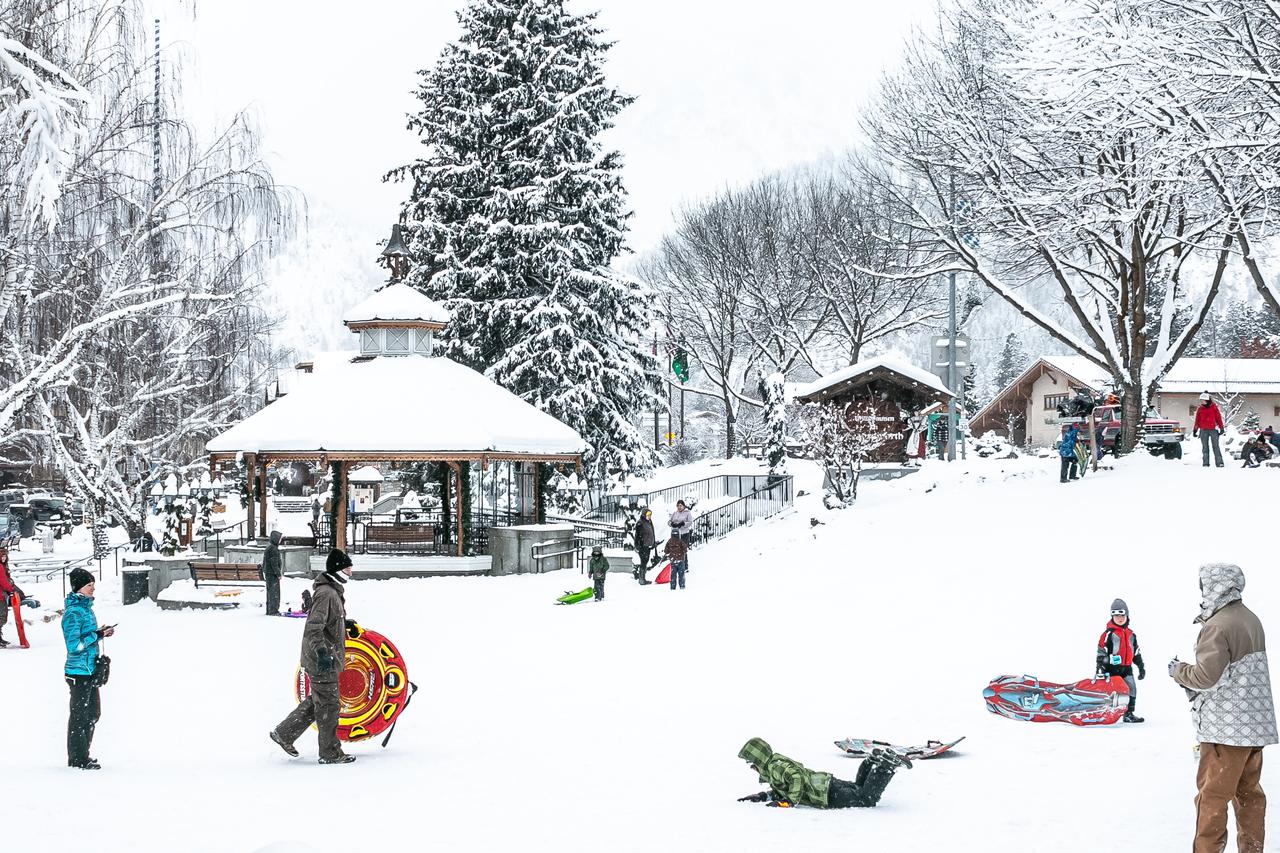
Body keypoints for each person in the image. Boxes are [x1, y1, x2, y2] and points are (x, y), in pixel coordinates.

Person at [1169, 563, 1276, 853]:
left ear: (1214, 587)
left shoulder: (1218, 625)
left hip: (1226, 732)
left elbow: (1206, 677)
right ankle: (1252, 849)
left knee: (1212, 798)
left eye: (1204, 586)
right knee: (1249, 796)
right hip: (1253, 729)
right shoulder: (1250, 619)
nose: (1202, 592)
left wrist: (1178, 671)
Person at [270, 548, 357, 764]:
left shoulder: (332, 592)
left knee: (320, 700)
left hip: (324, 657)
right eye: (348, 568)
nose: (351, 573)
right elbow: (313, 627)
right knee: (329, 705)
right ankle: (330, 753)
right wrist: (322, 653)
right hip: (322, 660)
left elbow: (328, 621)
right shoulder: (327, 593)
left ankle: (285, 733)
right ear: (338, 570)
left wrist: (344, 624)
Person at [737, 737, 910, 809]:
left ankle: (885, 765)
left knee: (866, 799)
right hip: (825, 784)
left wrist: (789, 801)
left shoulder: (775, 767)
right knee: (859, 788)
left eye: (750, 762)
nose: (750, 766)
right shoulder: (774, 765)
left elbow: (796, 777)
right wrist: (762, 796)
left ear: (759, 759)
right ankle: (871, 761)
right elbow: (785, 787)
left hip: (824, 793)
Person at [62, 567, 113, 769]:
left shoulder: (86, 609)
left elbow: (87, 637)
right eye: (89, 585)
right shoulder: (73, 613)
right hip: (78, 672)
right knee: (79, 716)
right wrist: (98, 635)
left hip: (90, 669)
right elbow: (74, 645)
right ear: (78, 588)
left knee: (93, 714)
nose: (93, 589)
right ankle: (77, 759)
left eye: (93, 585)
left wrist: (100, 632)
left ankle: (83, 754)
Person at [1095, 598, 1146, 723]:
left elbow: (1136, 652)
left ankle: (1128, 713)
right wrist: (1101, 667)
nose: (1119, 618)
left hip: (1126, 669)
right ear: (1112, 616)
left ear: (1127, 615)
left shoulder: (1131, 635)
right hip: (1111, 669)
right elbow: (1101, 652)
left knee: (1131, 689)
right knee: (1113, 692)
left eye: (1122, 615)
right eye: (1116, 615)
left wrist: (1141, 667)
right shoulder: (1108, 634)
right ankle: (1105, 711)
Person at [1193, 392, 1226, 468]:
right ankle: (1205, 463)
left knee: (1216, 447)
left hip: (1213, 430)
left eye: (1202, 400)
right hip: (1203, 430)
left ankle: (1219, 463)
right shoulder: (1200, 409)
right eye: (1200, 400)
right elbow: (1197, 420)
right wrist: (1195, 430)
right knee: (1205, 447)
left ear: (1206, 400)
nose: (1201, 401)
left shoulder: (1214, 407)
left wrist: (1221, 428)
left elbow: (1218, 418)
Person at [0, 546, 22, 647]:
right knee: (2, 617)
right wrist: (11, 589)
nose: (3, 558)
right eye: (2, 556)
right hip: (1, 595)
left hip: (3, 594)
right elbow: (3, 582)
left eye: (5, 556)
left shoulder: (4, 566)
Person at [262, 529, 283, 616]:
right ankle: (273, 610)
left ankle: (269, 609)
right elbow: (274, 563)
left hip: (268, 573)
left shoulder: (269, 547)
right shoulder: (274, 549)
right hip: (272, 574)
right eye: (279, 538)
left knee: (270, 592)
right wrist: (278, 573)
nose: (280, 540)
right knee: (274, 592)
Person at [634, 508, 656, 585]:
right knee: (643, 562)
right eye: (648, 515)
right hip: (643, 546)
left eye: (650, 515)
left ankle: (642, 578)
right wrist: (638, 546)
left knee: (645, 561)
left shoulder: (648, 522)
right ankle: (642, 579)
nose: (649, 516)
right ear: (644, 515)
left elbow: (652, 533)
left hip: (647, 545)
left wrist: (653, 543)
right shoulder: (640, 523)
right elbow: (637, 536)